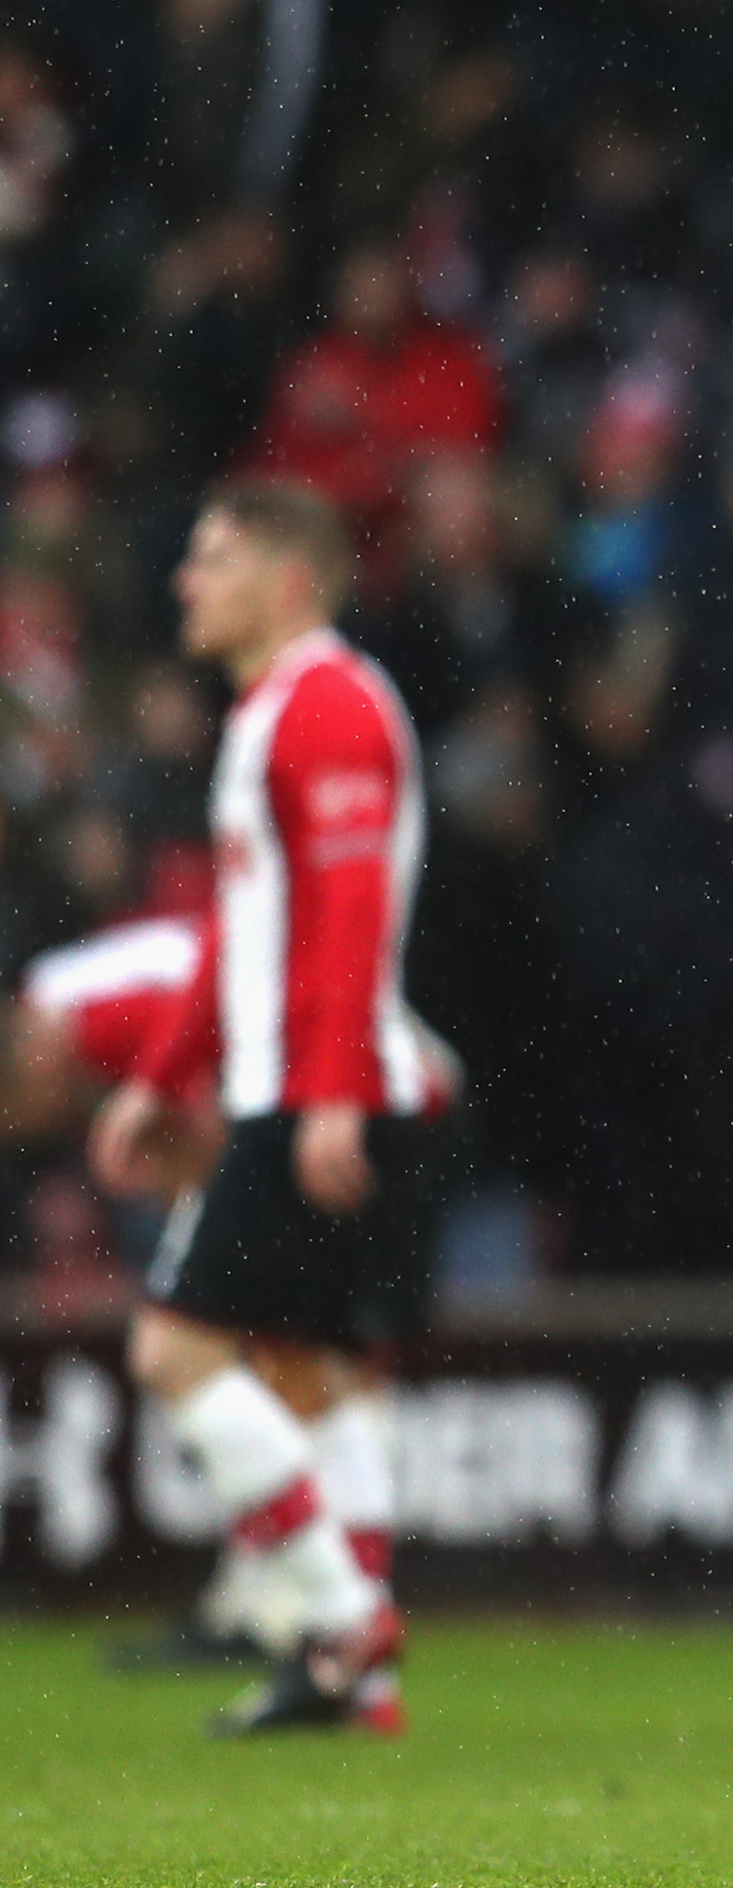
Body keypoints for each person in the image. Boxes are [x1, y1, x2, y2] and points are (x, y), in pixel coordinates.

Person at [86, 481, 447, 1739]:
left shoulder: (330, 708)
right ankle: (367, 1687)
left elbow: (350, 921)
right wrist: (157, 1071)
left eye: (216, 556)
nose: (189, 580)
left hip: (312, 1095)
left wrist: (331, 1100)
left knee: (173, 1352)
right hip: (303, 1086)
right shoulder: (281, 712)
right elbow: (245, 926)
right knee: (316, 1374)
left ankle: (342, 1624)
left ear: (290, 580)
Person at [26, 911, 455, 1678]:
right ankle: (307, 1625)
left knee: (205, 1352)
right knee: (314, 1368)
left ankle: (321, 1615)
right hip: (392, 1095)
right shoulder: (83, 999)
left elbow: (204, 1091)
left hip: (345, 1104)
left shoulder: (86, 1019)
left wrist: (197, 1218)